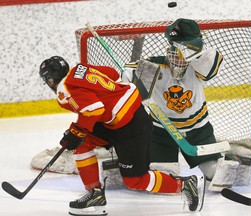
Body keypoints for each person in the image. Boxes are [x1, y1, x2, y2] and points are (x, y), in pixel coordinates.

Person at [38, 56, 206, 216]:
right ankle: (94, 194)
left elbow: (93, 110)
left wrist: (76, 131)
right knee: (81, 143)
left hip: (132, 126)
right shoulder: (80, 69)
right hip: (115, 121)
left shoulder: (64, 90)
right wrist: (113, 99)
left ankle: (184, 184)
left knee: (135, 181)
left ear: (51, 80)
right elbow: (111, 73)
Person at [124, 18, 251, 192]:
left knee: (214, 174)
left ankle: (231, 160)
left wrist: (192, 49)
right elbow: (128, 77)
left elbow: (210, 63)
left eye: (186, 53)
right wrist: (130, 77)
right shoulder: (154, 66)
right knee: (163, 177)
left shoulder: (199, 66)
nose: (180, 60)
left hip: (198, 129)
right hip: (161, 131)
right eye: (176, 52)